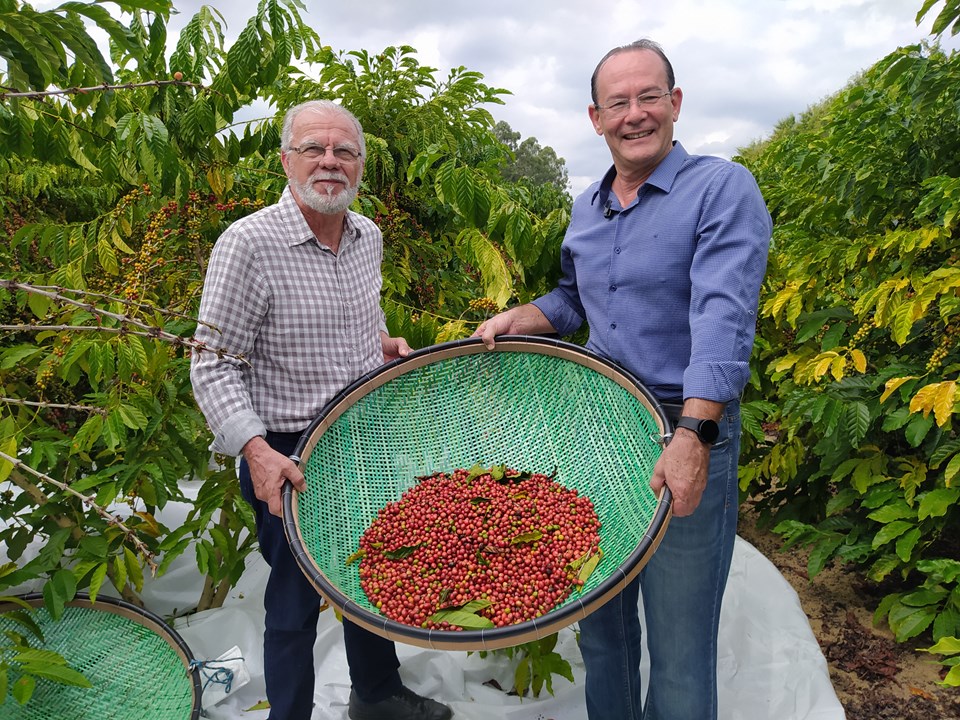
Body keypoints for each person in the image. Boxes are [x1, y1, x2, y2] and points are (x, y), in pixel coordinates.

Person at [475, 40, 771, 720]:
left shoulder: (721, 190)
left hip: (680, 429)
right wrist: (525, 316)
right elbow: (574, 298)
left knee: (679, 650)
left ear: (675, 104)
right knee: (602, 631)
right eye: (618, 103)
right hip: (598, 432)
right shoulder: (590, 205)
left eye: (648, 98)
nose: (635, 114)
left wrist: (696, 433)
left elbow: (724, 317)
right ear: (595, 117)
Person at [191, 100, 452, 720]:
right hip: (287, 449)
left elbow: (360, 317)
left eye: (344, 151)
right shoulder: (249, 243)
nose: (330, 161)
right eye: (314, 148)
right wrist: (256, 451)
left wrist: (380, 343)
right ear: (287, 159)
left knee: (373, 570)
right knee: (293, 597)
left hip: (362, 435)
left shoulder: (368, 237)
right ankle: (290, 714)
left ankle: (377, 694)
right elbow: (212, 363)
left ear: (361, 166)